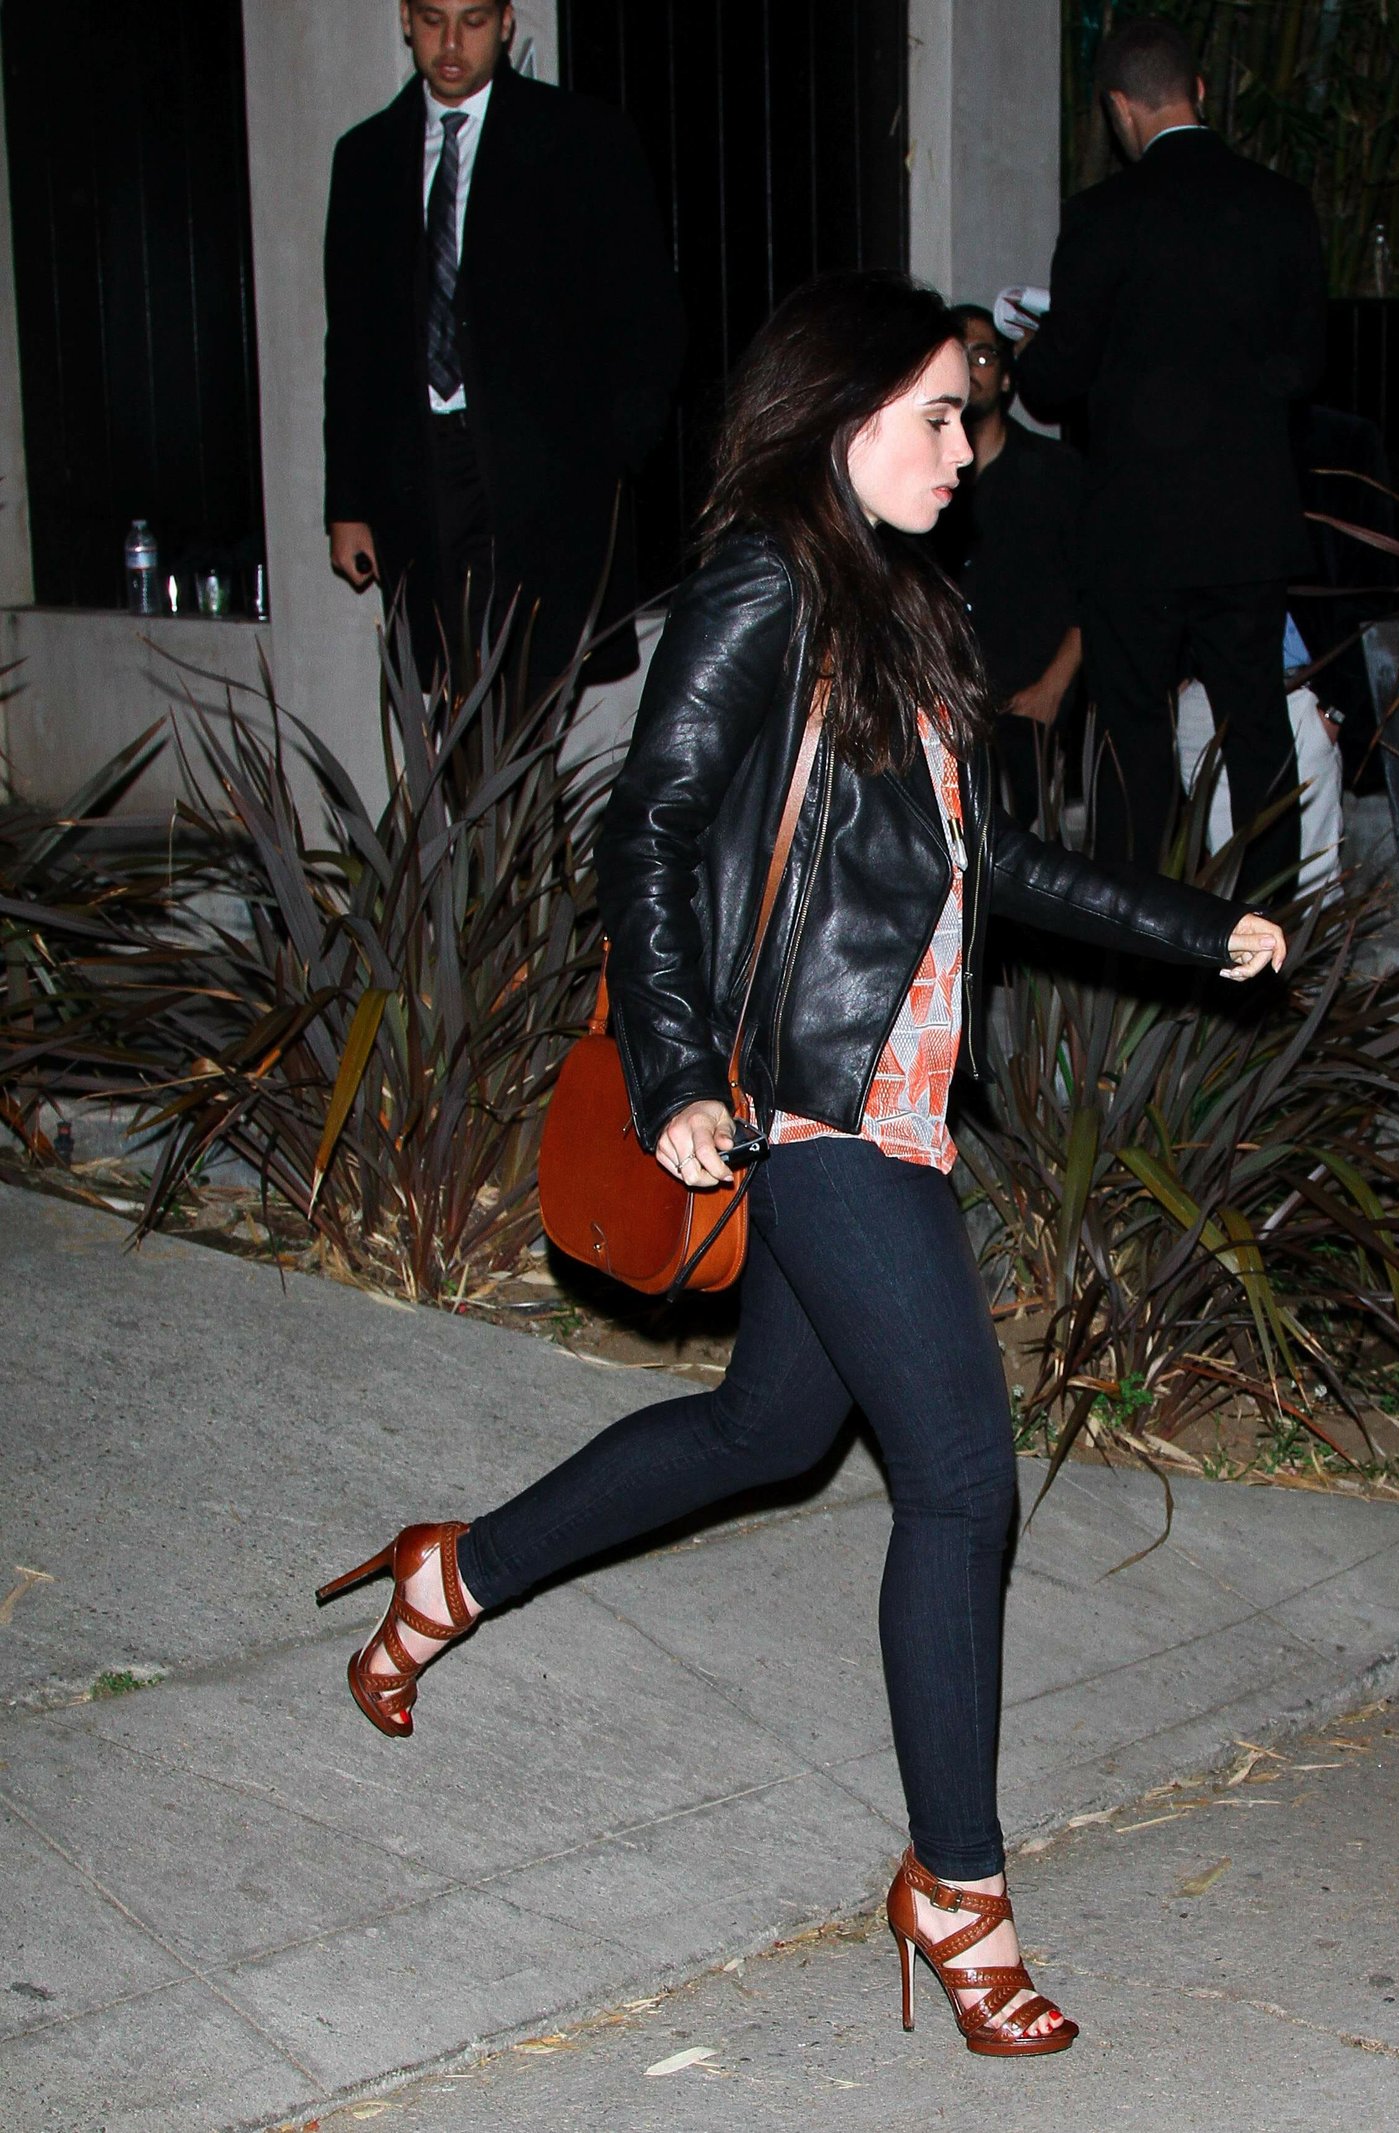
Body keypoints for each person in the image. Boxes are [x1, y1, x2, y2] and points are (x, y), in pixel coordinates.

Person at [316, 272, 1286, 2060]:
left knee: (763, 1433)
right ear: (841, 415)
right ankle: (957, 1889)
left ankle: (451, 1571)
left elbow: (986, 859)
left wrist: (1189, 922)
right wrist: (679, 1068)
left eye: (969, 416)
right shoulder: (766, 578)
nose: (966, 448)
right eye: (937, 415)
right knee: (962, 1485)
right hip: (814, 1104)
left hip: (893, 1099)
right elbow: (654, 818)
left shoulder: (905, 597)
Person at [1014, 15, 1325, 902]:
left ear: (1119, 107)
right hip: (1246, 527)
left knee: (1132, 745)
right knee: (1258, 735)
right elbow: (1305, 366)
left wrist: (1037, 351)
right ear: (1199, 90)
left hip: (1137, 534)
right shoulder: (1281, 205)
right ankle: (1269, 935)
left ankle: (1134, 938)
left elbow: (1055, 381)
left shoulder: (1103, 217)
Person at [323, 0, 684, 687]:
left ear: (508, 22)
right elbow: (351, 346)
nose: (451, 43)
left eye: (474, 21)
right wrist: (347, 503)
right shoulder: (366, 157)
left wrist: (605, 455)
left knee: (532, 685)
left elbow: (647, 318)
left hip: (543, 472)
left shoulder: (581, 140)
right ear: (405, 20)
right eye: (433, 20)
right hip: (419, 471)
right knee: (444, 687)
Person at [932, 306, 1085, 829]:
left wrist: (1052, 688)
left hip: (1027, 716)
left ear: (1005, 375)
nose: (970, 369)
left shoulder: (1058, 473)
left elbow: (1095, 590)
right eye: (957, 356)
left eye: (983, 355)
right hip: (944, 716)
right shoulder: (916, 480)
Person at [1176, 613, 1344, 896]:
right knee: (1224, 876)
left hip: (1289, 694)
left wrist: (1332, 712)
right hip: (1202, 695)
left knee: (1310, 885)